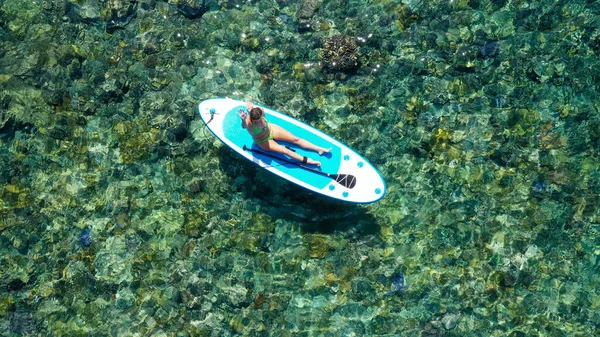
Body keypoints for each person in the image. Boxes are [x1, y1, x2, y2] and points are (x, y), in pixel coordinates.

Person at [238, 101, 331, 166]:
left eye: (260, 119)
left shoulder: (260, 111)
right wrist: (243, 119)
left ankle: (319, 149)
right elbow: (244, 125)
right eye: (256, 121)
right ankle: (308, 161)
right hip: (263, 141)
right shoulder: (249, 123)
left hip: (271, 129)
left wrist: (249, 106)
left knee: (296, 139)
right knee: (285, 151)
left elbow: (249, 104)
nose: (259, 121)